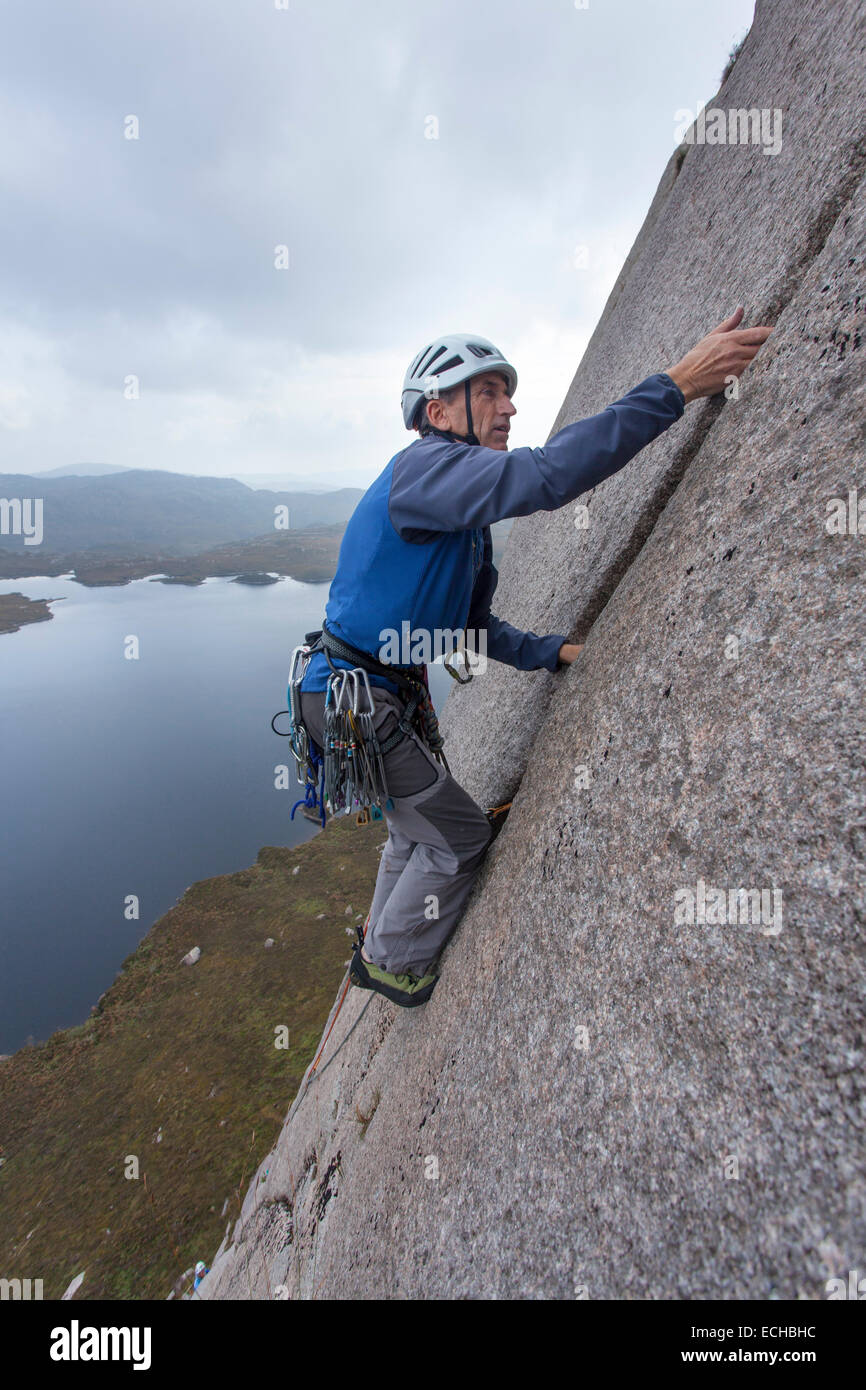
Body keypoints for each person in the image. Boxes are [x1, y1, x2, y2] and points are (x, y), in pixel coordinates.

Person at [298, 310, 771, 1007]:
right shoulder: (426, 468)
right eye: (487, 392)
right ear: (438, 410)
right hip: (358, 701)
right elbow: (547, 477)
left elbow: (472, 628)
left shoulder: (459, 522)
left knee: (413, 821)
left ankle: (381, 937)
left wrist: (551, 653)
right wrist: (676, 385)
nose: (509, 406)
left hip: (359, 698)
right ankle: (392, 964)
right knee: (458, 837)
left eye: (506, 392)